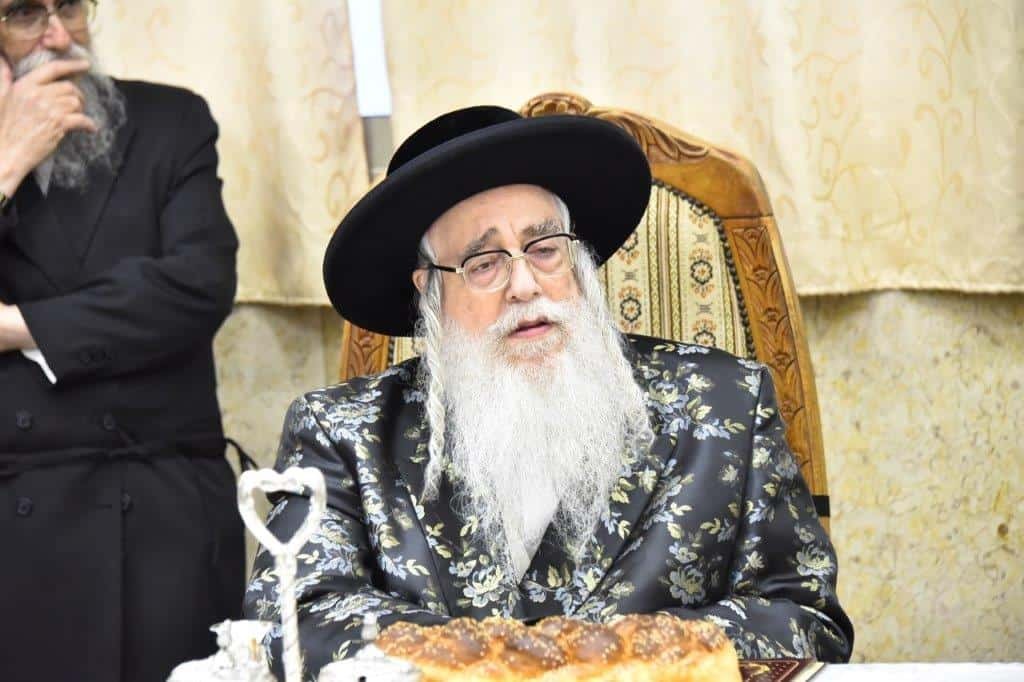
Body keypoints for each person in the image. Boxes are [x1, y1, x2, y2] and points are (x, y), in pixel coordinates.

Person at [243, 106, 854, 676]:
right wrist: (501, 662)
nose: (524, 285)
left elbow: (805, 618)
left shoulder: (725, 403)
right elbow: (290, 618)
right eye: (484, 263)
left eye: (544, 249)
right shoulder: (343, 432)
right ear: (430, 290)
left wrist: (617, 656)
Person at [0, 2, 244, 680]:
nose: (58, 34)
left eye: (70, 6)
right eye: (24, 13)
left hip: (164, 501)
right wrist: (7, 161)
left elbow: (196, 288)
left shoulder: (172, 120)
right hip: (16, 520)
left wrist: (17, 327)